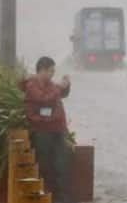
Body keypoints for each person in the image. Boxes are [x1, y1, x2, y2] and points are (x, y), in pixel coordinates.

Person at [21, 56, 72, 203]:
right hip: (42, 131)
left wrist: (66, 85)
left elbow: (61, 93)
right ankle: (48, 198)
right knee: (46, 166)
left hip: (57, 129)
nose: (52, 75)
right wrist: (60, 87)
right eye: (50, 71)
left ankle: (62, 199)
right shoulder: (32, 85)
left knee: (61, 164)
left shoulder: (49, 83)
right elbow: (45, 99)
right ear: (42, 70)